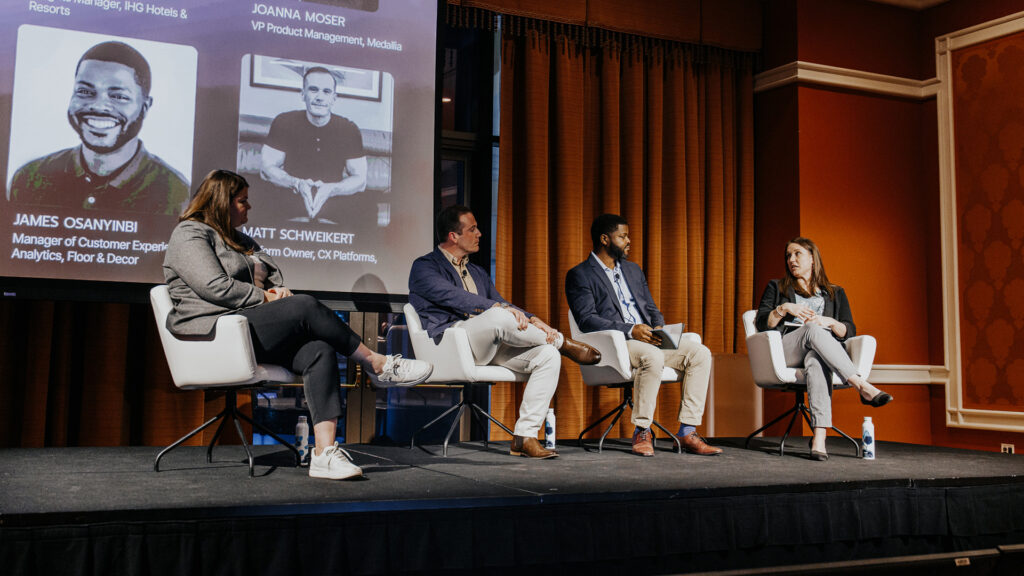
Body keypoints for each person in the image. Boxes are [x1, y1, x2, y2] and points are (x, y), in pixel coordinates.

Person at [163, 169, 432, 480]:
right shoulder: (190, 233)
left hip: (248, 327)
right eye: (242, 200)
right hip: (215, 330)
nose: (248, 206)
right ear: (222, 201)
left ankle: (324, 454)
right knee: (305, 306)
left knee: (319, 350)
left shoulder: (240, 240)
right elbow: (214, 288)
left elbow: (273, 276)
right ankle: (376, 363)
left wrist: (276, 291)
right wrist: (267, 296)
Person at [408, 205, 601, 459]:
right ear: (453, 236)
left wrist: (533, 319)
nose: (479, 234)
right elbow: (454, 297)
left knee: (547, 356)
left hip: (486, 344)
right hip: (451, 343)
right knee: (498, 315)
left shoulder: (477, 272)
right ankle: (563, 343)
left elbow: (501, 303)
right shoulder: (424, 267)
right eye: (472, 229)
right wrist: (497, 309)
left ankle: (524, 437)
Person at [566, 214, 721, 458]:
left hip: (648, 337)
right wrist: (630, 329)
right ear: (605, 239)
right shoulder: (580, 274)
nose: (629, 241)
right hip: (617, 342)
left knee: (700, 353)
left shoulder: (633, 270)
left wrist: (659, 327)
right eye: (623, 236)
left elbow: (650, 307)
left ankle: (687, 432)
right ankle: (642, 431)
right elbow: (586, 319)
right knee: (652, 357)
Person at [9, 41, 188, 214]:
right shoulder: (29, 179)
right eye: (85, 92)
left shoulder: (177, 194)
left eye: (118, 96)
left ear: (145, 107)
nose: (99, 106)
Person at [755, 237, 893, 461]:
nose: (791, 260)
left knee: (816, 360)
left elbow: (849, 330)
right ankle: (860, 384)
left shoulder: (835, 292)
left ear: (812, 258)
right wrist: (784, 308)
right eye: (788, 256)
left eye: (797, 254)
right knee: (812, 329)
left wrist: (828, 322)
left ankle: (819, 438)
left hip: (821, 350)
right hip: (788, 350)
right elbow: (762, 323)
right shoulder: (777, 287)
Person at [260, 66, 367, 220]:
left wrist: (332, 189)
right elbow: (266, 169)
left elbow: (360, 180)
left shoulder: (349, 129)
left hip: (334, 197)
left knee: (365, 208)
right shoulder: (284, 122)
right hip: (290, 194)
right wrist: (297, 184)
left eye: (326, 92)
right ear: (303, 94)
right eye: (313, 90)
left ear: (334, 98)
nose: (320, 97)